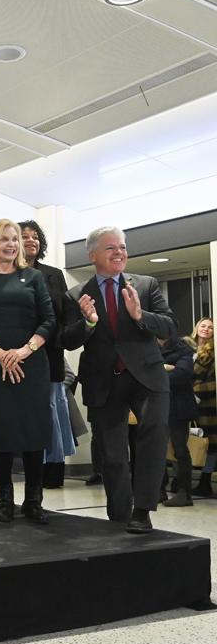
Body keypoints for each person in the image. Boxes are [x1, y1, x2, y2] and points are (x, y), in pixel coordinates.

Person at [61, 226, 177, 533]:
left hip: (147, 377)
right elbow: (67, 340)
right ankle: (119, 516)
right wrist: (87, 322)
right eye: (111, 247)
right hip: (103, 380)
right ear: (93, 255)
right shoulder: (76, 294)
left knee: (152, 438)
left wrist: (141, 316)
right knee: (112, 456)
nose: (119, 252)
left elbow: (170, 327)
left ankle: (143, 512)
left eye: (122, 247)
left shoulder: (146, 284)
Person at [0, 219, 55, 524]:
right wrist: (0, 354)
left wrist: (23, 351)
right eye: (4, 239)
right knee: (0, 432)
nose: (12, 244)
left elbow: (49, 321)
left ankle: (34, 500)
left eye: (15, 239)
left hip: (31, 366)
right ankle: (5, 498)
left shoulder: (33, 277)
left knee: (34, 431)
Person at [19, 220, 75, 489]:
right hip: (15, 355)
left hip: (49, 353)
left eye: (35, 237)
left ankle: (53, 474)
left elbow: (63, 314)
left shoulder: (53, 274)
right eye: (25, 236)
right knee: (24, 415)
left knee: (51, 414)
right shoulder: (4, 273)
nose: (31, 240)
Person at [159, 336, 198, 507]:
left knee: (180, 450)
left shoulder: (183, 348)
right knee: (157, 450)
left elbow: (183, 374)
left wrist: (156, 372)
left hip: (179, 406)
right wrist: (165, 368)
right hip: (157, 404)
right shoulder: (147, 345)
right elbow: (140, 370)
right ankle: (159, 490)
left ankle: (185, 493)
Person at [190, 317, 216, 496]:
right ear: (197, 327)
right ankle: (180, 479)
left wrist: (195, 393)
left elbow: (213, 381)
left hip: (207, 404)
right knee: (186, 440)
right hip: (185, 401)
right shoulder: (186, 347)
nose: (206, 329)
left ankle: (205, 481)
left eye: (211, 328)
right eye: (203, 325)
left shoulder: (213, 351)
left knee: (210, 444)